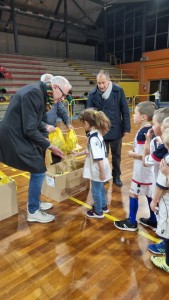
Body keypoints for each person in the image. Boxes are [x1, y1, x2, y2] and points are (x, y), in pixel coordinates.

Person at [0, 76, 72, 223]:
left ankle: (35, 203)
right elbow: (29, 130)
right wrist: (50, 146)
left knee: (38, 167)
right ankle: (33, 210)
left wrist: (45, 128)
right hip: (13, 137)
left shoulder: (39, 92)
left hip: (18, 134)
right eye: (63, 94)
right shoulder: (34, 94)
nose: (63, 98)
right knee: (38, 169)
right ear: (54, 88)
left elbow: (34, 121)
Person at [114, 101, 156, 231]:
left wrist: (132, 154)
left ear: (143, 116)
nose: (133, 115)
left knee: (133, 193)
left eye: (136, 113)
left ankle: (131, 222)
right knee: (149, 194)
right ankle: (153, 220)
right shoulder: (152, 129)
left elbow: (145, 155)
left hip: (142, 170)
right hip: (150, 171)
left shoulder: (143, 132)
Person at [87, 70, 130, 187]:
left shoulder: (118, 91)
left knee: (116, 156)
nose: (101, 86)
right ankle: (104, 175)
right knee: (102, 156)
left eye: (103, 83)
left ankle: (116, 176)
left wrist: (126, 128)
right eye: (99, 83)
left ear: (108, 80)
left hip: (116, 128)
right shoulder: (92, 94)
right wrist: (89, 132)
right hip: (100, 131)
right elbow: (89, 115)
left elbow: (125, 110)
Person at [73, 108, 112, 218]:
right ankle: (104, 206)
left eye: (82, 124)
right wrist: (78, 153)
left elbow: (98, 157)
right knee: (100, 188)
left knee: (95, 190)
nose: (82, 126)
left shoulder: (92, 138)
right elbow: (90, 150)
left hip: (98, 168)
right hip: (101, 167)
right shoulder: (96, 134)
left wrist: (102, 172)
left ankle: (98, 211)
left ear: (87, 123)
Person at [150, 128, 169, 273]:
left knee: (167, 232)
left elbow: (160, 186)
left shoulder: (166, 160)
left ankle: (167, 263)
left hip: (166, 201)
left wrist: (154, 201)